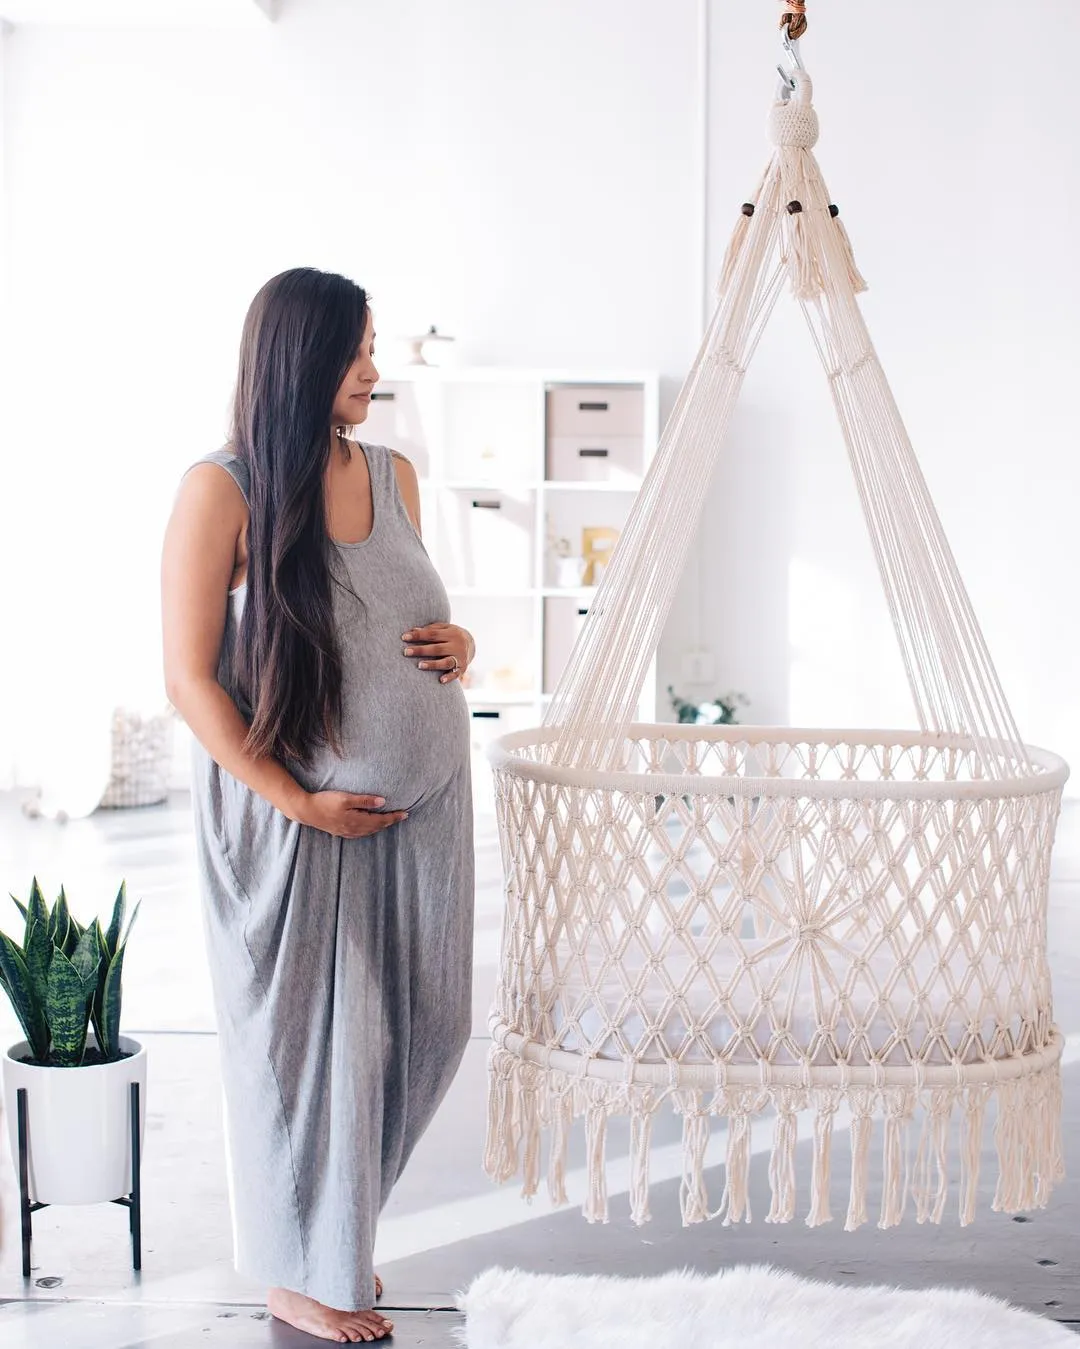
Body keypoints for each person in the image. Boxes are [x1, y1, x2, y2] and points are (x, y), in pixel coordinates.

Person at [161, 268, 475, 1343]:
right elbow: (189, 677)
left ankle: (327, 1237)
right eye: (355, 355)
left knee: (431, 1027)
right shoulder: (224, 488)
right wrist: (296, 797)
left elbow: (410, 610)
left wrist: (462, 644)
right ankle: (307, 1269)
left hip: (423, 812)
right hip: (295, 822)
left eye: (374, 348)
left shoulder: (395, 474)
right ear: (300, 360)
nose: (374, 373)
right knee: (317, 1051)